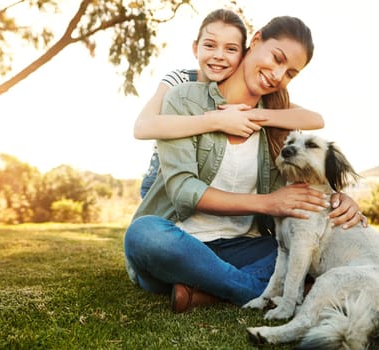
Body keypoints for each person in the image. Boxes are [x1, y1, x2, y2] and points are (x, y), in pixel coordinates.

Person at [125, 15, 366, 314]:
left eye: (290, 73)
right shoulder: (183, 99)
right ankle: (265, 292)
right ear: (256, 40)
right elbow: (183, 191)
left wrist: (341, 199)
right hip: (181, 241)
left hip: (245, 247)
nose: (278, 75)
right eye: (276, 58)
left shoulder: (280, 122)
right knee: (143, 235)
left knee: (311, 246)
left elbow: (305, 182)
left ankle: (208, 291)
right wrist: (268, 203)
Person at [134, 9, 325, 198]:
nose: (219, 56)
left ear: (241, 52)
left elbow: (315, 119)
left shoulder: (257, 94)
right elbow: (143, 127)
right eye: (209, 46)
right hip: (162, 177)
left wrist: (251, 115)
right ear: (195, 48)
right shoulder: (183, 81)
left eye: (231, 49)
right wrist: (218, 121)